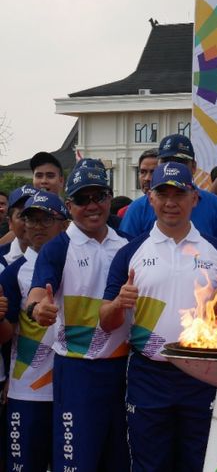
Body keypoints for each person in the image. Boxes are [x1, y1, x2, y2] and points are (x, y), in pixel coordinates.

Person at [100, 162, 217, 472]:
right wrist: (119, 303)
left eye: (179, 193)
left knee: (201, 463)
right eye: (163, 193)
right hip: (149, 374)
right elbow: (106, 321)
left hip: (202, 374)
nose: (171, 202)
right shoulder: (130, 252)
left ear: (195, 198)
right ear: (150, 197)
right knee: (150, 465)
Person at [28, 166, 131, 472]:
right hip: (77, 370)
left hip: (123, 369)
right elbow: (36, 293)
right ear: (69, 205)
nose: (91, 205)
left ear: (109, 198)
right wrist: (38, 309)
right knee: (76, 463)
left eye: (98, 196)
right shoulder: (58, 248)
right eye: (81, 199)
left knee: (119, 461)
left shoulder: (128, 244)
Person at [0, 192, 68, 472]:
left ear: (64, 223)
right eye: (31, 219)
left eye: (46, 219)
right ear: (22, 224)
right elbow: (5, 335)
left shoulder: (82, 262)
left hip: (71, 388)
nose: (38, 226)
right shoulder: (13, 273)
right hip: (27, 391)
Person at [120, 134, 217, 246]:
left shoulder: (216, 206)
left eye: (180, 162)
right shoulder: (137, 209)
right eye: (167, 161)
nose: (174, 167)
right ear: (158, 165)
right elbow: (125, 257)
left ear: (194, 166)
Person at [0, 186, 39, 269]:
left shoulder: (62, 254)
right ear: (10, 222)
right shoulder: (2, 258)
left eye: (33, 215)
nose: (28, 223)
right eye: (22, 216)